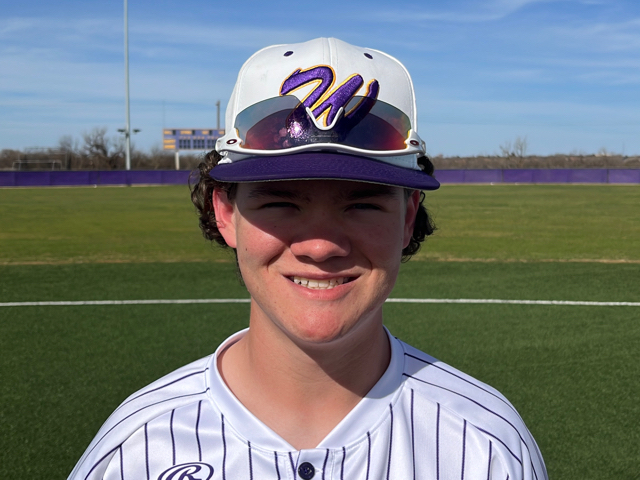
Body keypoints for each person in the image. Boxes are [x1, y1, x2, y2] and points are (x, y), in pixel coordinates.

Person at [68, 37, 547, 480]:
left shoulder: (488, 448)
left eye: (362, 204)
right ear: (225, 213)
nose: (320, 247)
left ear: (407, 218)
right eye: (280, 202)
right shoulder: (134, 450)